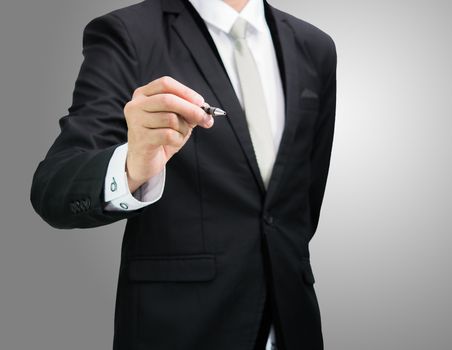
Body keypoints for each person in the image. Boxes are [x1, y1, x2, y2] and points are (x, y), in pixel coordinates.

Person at [30, 0, 337, 349]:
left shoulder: (316, 47)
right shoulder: (128, 34)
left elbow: (302, 203)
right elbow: (54, 186)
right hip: (180, 330)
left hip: (294, 325)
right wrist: (132, 166)